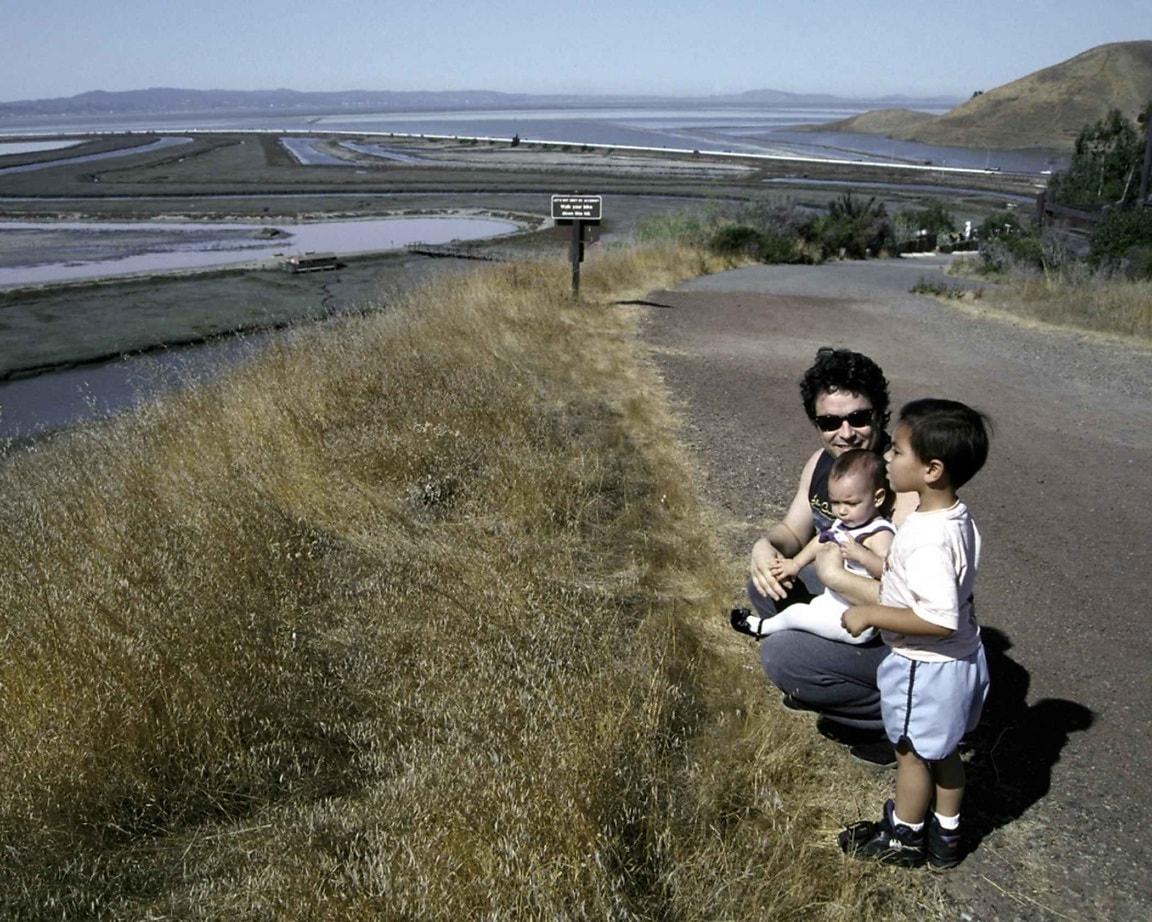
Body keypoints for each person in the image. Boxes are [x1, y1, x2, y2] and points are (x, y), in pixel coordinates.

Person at [730, 346, 914, 766]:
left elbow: (907, 600)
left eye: (859, 418)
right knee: (767, 583)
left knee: (781, 656)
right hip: (846, 598)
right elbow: (794, 532)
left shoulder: (899, 481)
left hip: (894, 634)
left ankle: (895, 723)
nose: (844, 432)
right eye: (829, 421)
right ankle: (829, 675)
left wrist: (834, 577)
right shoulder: (822, 463)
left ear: (881, 415)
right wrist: (765, 546)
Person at [837, 398, 992, 869]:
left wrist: (871, 615)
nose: (887, 457)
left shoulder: (927, 537)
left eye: (898, 451)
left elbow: (936, 617)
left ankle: (904, 836)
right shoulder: (952, 519)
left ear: (932, 469)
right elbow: (920, 580)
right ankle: (946, 838)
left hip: (924, 667)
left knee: (910, 752)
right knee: (943, 753)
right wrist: (872, 563)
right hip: (959, 661)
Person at [730, 448, 894, 645]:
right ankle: (791, 642)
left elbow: (889, 572)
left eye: (851, 503)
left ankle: (759, 627)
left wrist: (862, 556)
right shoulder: (847, 522)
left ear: (878, 498)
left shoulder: (878, 533)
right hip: (833, 600)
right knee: (805, 608)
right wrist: (795, 564)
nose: (841, 510)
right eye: (835, 502)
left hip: (857, 618)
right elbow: (821, 540)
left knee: (796, 614)